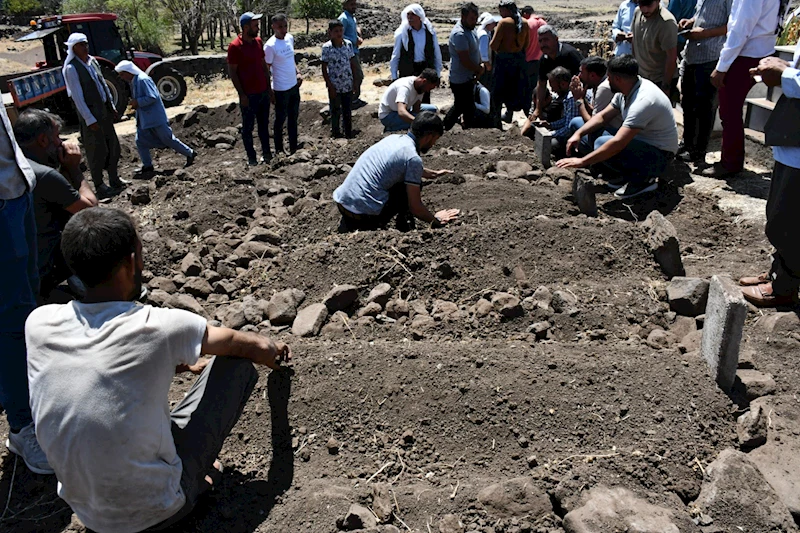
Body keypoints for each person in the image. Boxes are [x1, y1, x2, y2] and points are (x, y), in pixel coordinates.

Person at [25, 207, 292, 532]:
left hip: (90, 514)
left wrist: (176, 365)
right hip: (157, 512)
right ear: (129, 263)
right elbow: (243, 345)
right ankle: (194, 483)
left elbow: (96, 366)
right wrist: (274, 352)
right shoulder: (159, 326)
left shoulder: (38, 323)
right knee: (235, 365)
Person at [0, 102, 53, 475]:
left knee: (27, 302)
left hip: (16, 190)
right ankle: (22, 425)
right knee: (12, 318)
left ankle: (26, 395)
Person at [556, 55, 678, 200]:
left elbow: (619, 143)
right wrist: (578, 134)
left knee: (602, 143)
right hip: (639, 143)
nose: (607, 81)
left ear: (618, 79)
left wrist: (583, 161)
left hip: (659, 155)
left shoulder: (643, 101)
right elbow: (602, 117)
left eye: (609, 77)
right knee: (578, 124)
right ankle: (617, 176)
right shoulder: (625, 90)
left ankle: (643, 181)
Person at [13, 109, 97, 300]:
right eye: (57, 137)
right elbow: (91, 210)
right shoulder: (44, 176)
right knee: (96, 230)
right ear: (43, 140)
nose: (61, 143)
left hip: (19, 265)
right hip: (44, 269)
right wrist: (74, 169)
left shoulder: (14, 167)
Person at [739, 44, 800, 307]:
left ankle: (784, 286)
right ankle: (780, 271)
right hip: (792, 142)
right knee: (780, 214)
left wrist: (785, 75)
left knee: (787, 222)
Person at [333, 112, 460, 232]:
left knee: (404, 181)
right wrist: (436, 221)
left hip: (343, 203)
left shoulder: (394, 139)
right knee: (408, 188)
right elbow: (416, 207)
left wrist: (433, 174)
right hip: (363, 214)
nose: (433, 144)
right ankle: (405, 228)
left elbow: (399, 166)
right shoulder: (412, 158)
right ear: (429, 137)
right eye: (435, 139)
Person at [704, 0, 781, 178]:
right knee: (732, 111)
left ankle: (730, 162)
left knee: (729, 111)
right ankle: (732, 159)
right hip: (763, 49)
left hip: (745, 54)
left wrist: (722, 66)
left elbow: (741, 28)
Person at [62, 32, 124, 198]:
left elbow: (103, 84)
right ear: (74, 47)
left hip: (104, 111)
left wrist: (111, 105)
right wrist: (89, 119)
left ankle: (114, 178)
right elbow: (78, 97)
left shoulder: (93, 61)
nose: (85, 47)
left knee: (113, 146)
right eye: (82, 44)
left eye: (86, 43)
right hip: (91, 115)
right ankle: (99, 184)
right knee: (96, 150)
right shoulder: (71, 68)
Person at [114, 61, 197, 174]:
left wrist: (137, 102)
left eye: (122, 74)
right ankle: (147, 165)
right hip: (146, 118)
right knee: (140, 141)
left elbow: (152, 96)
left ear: (128, 72)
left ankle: (190, 153)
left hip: (155, 117)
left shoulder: (143, 80)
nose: (121, 77)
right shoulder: (135, 81)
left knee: (168, 139)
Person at [677, 0, 731, 164]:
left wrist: (705, 34)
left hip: (711, 56)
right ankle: (687, 144)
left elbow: (732, 26)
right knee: (687, 103)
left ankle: (699, 152)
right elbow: (701, 16)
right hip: (692, 55)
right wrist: (690, 21)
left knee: (704, 107)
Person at [227, 11, 272, 166]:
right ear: (246, 27)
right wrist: (242, 94)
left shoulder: (258, 42)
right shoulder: (235, 46)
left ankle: (267, 154)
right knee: (247, 128)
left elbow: (263, 65)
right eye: (255, 25)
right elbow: (233, 72)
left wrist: (268, 87)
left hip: (262, 91)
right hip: (248, 94)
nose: (258, 28)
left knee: (264, 125)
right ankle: (251, 158)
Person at [564, 56, 624, 155]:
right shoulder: (598, 85)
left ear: (592, 75)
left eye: (582, 73)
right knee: (575, 121)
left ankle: (595, 158)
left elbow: (592, 123)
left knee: (578, 125)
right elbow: (596, 112)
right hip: (607, 125)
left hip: (615, 131)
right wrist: (582, 98)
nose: (579, 76)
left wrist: (579, 101)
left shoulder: (604, 88)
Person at [265, 14, 303, 156]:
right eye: (280, 27)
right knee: (280, 120)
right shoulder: (270, 46)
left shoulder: (289, 38)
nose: (283, 29)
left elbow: (291, 58)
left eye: (285, 26)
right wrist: (270, 91)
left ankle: (293, 147)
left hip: (293, 85)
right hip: (280, 89)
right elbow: (266, 69)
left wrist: (297, 72)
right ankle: (279, 149)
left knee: (293, 117)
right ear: (273, 27)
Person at [389, 4, 443, 105]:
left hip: (425, 69)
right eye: (408, 15)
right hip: (408, 69)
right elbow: (395, 55)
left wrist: (438, 73)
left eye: (412, 15)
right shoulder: (402, 33)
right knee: (408, 98)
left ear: (419, 16)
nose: (409, 17)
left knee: (425, 99)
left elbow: (436, 52)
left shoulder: (430, 32)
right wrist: (394, 76)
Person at [443, 3, 484, 131]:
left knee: (468, 107)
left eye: (476, 19)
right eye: (472, 19)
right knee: (461, 106)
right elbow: (465, 60)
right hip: (460, 78)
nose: (474, 22)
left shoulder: (471, 30)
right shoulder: (459, 34)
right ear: (463, 16)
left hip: (469, 76)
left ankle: (466, 130)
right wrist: (478, 69)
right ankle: (444, 127)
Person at [490, 0, 530, 124]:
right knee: (513, 89)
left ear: (506, 10)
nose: (500, 13)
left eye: (501, 10)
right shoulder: (524, 23)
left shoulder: (504, 23)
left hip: (503, 60)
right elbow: (526, 44)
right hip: (518, 60)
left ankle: (496, 118)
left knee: (498, 90)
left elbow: (493, 44)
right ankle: (509, 113)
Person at [531, 25, 583, 120]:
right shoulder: (544, 59)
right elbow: (541, 84)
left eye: (546, 40)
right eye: (540, 41)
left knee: (555, 111)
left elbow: (584, 78)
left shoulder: (569, 54)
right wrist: (538, 108)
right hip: (559, 93)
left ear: (556, 39)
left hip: (575, 94)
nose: (543, 44)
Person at [631, 0, 678, 96]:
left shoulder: (666, 22)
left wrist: (665, 86)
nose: (644, 9)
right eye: (641, 4)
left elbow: (671, 57)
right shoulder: (637, 12)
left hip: (660, 80)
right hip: (642, 78)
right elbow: (634, 40)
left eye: (648, 4)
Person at [322, 19, 357, 139]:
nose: (339, 33)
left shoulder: (348, 44)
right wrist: (329, 85)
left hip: (347, 83)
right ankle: (336, 133)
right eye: (336, 31)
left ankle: (348, 133)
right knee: (335, 110)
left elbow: (352, 63)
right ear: (330, 32)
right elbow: (324, 68)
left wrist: (354, 82)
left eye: (341, 31)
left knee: (347, 110)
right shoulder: (327, 48)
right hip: (335, 85)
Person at [539, 67, 580, 156]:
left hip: (577, 138)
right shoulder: (566, 97)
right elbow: (566, 120)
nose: (553, 90)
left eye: (553, 87)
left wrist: (550, 134)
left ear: (563, 84)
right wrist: (550, 125)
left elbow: (569, 129)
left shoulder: (572, 98)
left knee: (550, 144)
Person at [520, 6, 547, 118]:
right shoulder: (544, 23)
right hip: (541, 60)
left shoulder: (527, 23)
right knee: (539, 87)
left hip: (528, 60)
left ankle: (528, 112)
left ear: (525, 13)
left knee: (526, 89)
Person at [339, 0, 366, 108]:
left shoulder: (352, 17)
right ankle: (353, 99)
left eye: (355, 4)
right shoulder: (343, 18)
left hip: (354, 51)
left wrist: (358, 36)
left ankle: (353, 99)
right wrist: (354, 40)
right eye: (351, 4)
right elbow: (340, 35)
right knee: (357, 75)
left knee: (356, 76)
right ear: (345, 5)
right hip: (348, 52)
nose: (354, 6)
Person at [476, 12, 499, 88]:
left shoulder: (482, 31)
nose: (494, 25)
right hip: (484, 65)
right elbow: (483, 52)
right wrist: (487, 64)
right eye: (493, 23)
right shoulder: (484, 35)